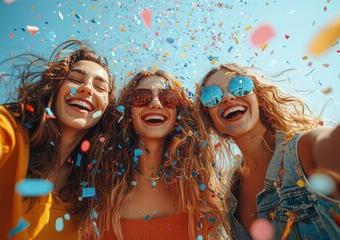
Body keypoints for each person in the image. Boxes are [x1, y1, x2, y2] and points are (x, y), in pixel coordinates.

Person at [0, 40, 117, 239]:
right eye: (76, 79)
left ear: (106, 108)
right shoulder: (6, 131)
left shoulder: (92, 190)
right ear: (54, 87)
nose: (87, 89)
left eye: (100, 87)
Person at [195, 63, 340, 239]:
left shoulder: (303, 150)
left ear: (259, 99)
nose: (228, 97)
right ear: (210, 120)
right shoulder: (228, 199)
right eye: (212, 96)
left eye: (240, 85)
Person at [101, 68, 230, 240]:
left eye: (168, 97)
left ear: (179, 112)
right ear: (128, 112)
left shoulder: (203, 190)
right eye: (141, 97)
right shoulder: (101, 188)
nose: (155, 103)